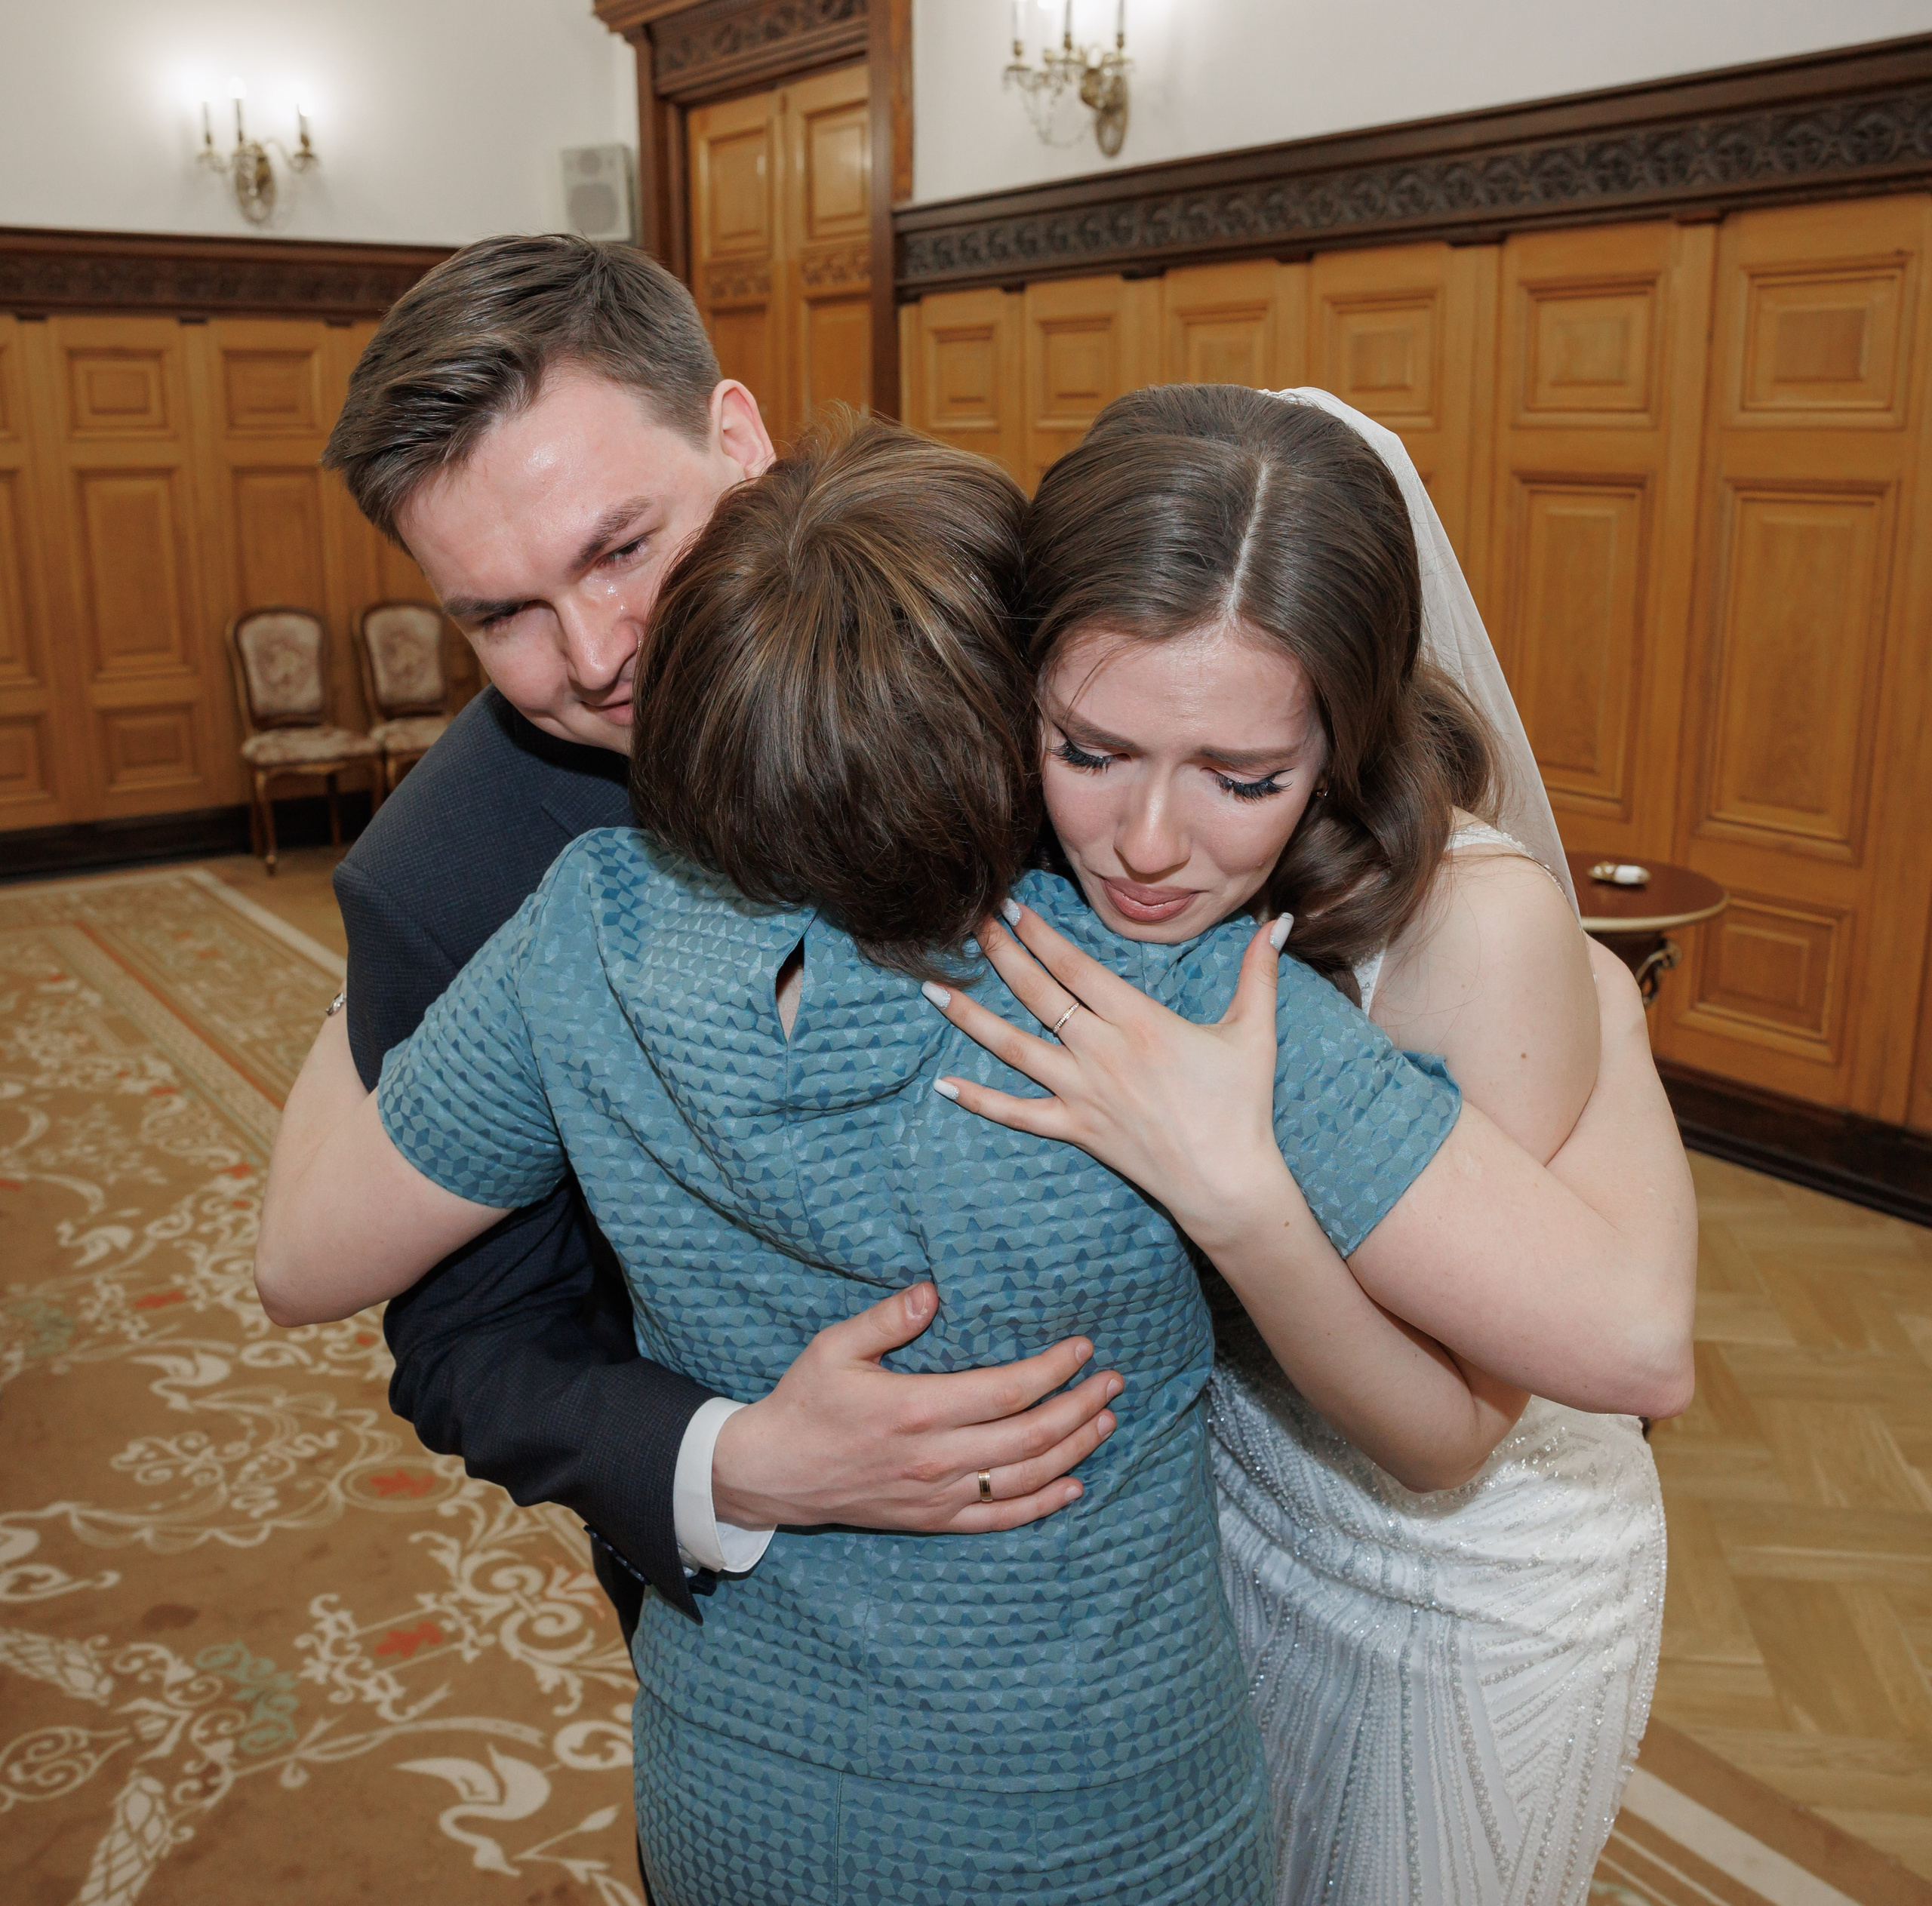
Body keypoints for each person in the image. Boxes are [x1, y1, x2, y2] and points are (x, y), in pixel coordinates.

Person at [260, 414, 1689, 1901]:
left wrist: (364, 1015)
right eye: (1088, 744)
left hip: (734, 1800)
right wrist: (1604, 1002)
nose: (1145, 834)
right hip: (1102, 1821)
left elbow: (303, 1264)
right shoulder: (1174, 994)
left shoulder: (578, 931)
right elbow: (1631, 1348)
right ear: (1004, 705)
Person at [920, 384, 1695, 1904]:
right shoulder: (1028, 841)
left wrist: (1236, 1196)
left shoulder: (1472, 930)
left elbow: (1443, 1435)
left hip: (1460, 1583)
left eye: (1241, 780)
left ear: (1339, 741)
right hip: (1226, 1518)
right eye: (1089, 749)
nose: (1147, 842)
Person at [318, 234, 1124, 1641]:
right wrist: (735, 1459)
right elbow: (471, 1341)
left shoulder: (997, 618)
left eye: (623, 547)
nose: (592, 653)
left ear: (737, 435)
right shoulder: (445, 877)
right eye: (501, 613)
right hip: (778, 1620)